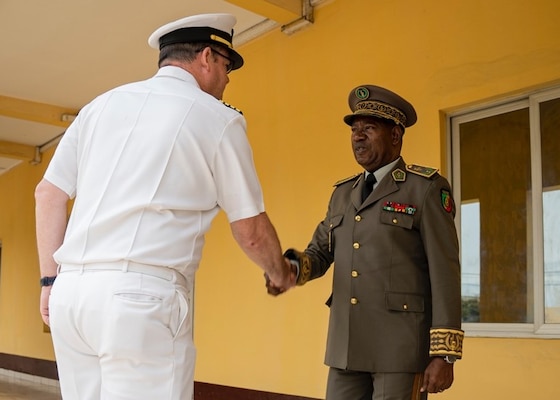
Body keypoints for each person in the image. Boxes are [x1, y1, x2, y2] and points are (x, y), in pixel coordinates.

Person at [35, 13, 294, 400]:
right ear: (206, 57)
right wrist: (279, 272)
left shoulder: (99, 106)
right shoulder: (218, 119)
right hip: (139, 299)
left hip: (71, 296)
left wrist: (48, 282)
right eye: (225, 66)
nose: (226, 80)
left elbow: (48, 194)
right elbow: (251, 230)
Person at [268, 85, 464, 399]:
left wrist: (444, 353)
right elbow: (320, 251)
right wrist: (289, 269)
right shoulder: (342, 193)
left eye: (369, 129)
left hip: (399, 350)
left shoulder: (425, 189)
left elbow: (446, 271)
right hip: (347, 345)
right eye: (355, 130)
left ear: (396, 135)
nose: (358, 137)